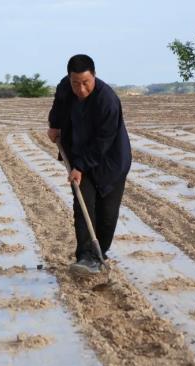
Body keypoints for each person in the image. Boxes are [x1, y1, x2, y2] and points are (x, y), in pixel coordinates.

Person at [47, 54, 132, 275]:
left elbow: (104, 141)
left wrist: (81, 166)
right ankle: (85, 257)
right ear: (69, 78)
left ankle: (99, 254)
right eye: (76, 83)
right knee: (83, 205)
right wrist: (54, 124)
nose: (81, 89)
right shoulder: (66, 87)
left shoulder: (107, 100)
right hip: (80, 155)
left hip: (110, 161)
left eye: (86, 83)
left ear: (94, 76)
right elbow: (59, 106)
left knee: (107, 213)